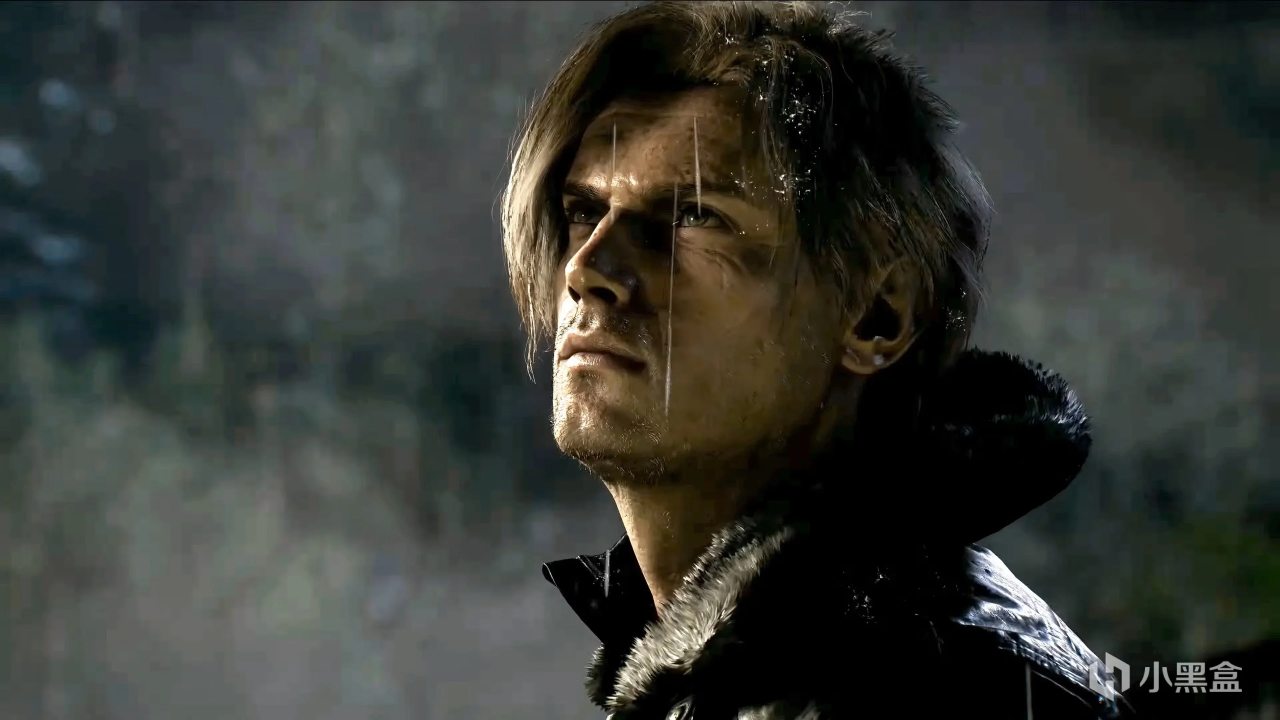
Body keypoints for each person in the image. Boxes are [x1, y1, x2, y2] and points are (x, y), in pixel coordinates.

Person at [501, 2, 1128, 718]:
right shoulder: (772, 660)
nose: (587, 269)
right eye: (584, 211)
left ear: (876, 315)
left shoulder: (937, 681)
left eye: (697, 216)